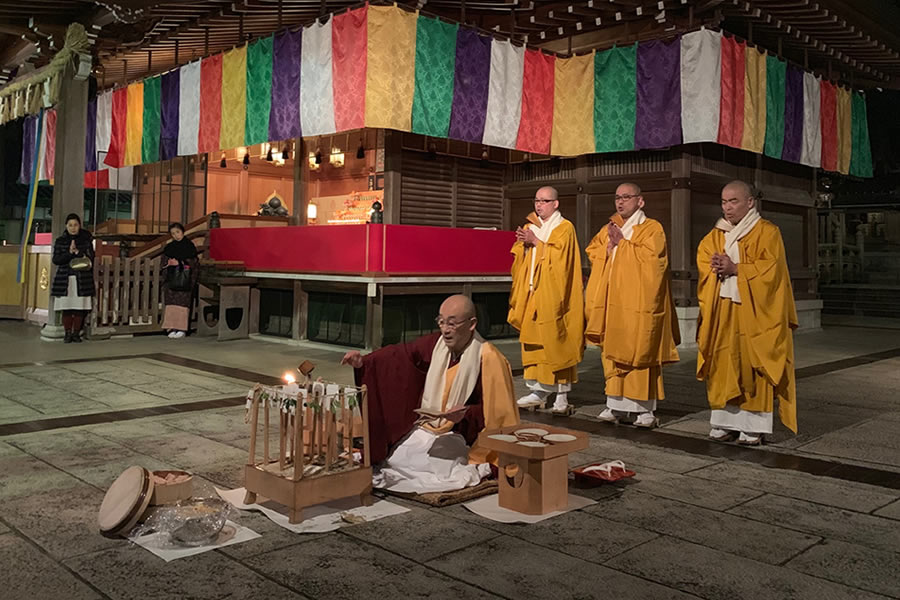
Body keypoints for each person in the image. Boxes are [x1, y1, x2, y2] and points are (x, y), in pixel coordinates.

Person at [341, 294, 519, 494]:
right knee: (399, 458)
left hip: (460, 434)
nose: (445, 330)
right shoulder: (436, 345)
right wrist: (364, 362)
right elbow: (400, 356)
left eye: (452, 323)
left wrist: (465, 414)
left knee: (438, 469)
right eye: (441, 322)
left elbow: (498, 416)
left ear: (472, 324)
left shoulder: (490, 358)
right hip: (429, 428)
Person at [696, 180, 798, 445]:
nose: (727, 208)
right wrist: (715, 266)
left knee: (753, 364)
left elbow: (772, 272)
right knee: (722, 361)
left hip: (754, 311)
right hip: (723, 309)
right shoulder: (716, 234)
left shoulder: (767, 232)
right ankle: (723, 421)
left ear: (750, 202)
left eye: (733, 201)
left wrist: (737, 268)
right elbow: (704, 257)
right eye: (723, 202)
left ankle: (753, 426)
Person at [584, 183, 680, 428]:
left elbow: (654, 262)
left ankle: (645, 410)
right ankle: (614, 403)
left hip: (638, 301)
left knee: (641, 349)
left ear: (640, 201)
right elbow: (593, 251)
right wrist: (608, 248)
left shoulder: (651, 228)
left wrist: (623, 245)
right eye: (617, 197)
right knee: (613, 350)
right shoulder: (611, 227)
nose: (620, 202)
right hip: (613, 300)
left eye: (626, 197)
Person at [508, 186, 584, 414]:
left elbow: (562, 260)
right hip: (533, 292)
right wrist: (523, 244)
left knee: (557, 342)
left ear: (556, 203)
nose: (539, 205)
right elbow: (520, 258)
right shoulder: (532, 226)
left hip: (554, 295)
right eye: (536, 201)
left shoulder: (564, 227)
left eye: (544, 201)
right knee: (534, 344)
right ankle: (537, 391)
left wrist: (537, 242)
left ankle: (561, 396)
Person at [51, 213, 95, 343]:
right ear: (66, 226)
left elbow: (91, 257)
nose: (73, 227)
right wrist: (69, 253)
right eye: (70, 225)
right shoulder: (60, 241)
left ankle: (76, 333)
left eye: (75, 225)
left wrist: (78, 252)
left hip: (82, 278)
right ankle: (67, 333)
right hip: (65, 278)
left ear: (80, 225)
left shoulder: (86, 240)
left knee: (79, 306)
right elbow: (56, 260)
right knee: (67, 306)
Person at [161, 222, 199, 339]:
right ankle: (171, 328)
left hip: (184, 280)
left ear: (182, 232)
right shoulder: (169, 247)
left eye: (178, 232)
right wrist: (169, 263)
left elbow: (194, 263)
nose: (176, 235)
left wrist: (180, 263)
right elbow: (163, 262)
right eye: (173, 233)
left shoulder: (189, 247)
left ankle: (182, 329)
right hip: (171, 280)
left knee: (182, 304)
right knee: (171, 304)